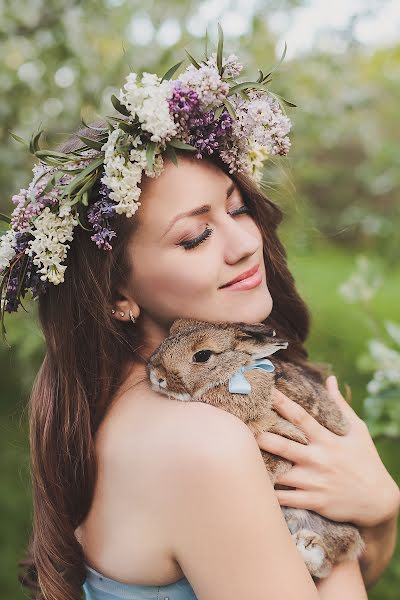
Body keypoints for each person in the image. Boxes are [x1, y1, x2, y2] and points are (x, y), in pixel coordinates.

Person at [1, 30, 398, 600]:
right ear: (117, 295)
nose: (243, 243)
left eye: (238, 208)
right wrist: (360, 510)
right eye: (194, 237)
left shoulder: (104, 408)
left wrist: (373, 513)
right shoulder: (201, 446)